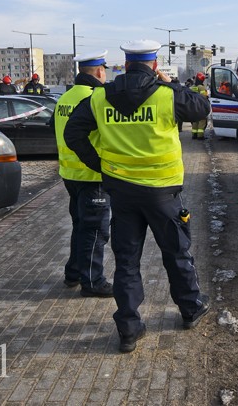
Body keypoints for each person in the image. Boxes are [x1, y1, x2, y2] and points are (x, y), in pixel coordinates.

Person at [64, 40, 211, 353]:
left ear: (126, 65)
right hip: (163, 193)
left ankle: (129, 329)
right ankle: (191, 308)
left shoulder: (99, 97)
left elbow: (72, 133)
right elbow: (202, 108)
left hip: (122, 193)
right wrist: (172, 84)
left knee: (127, 261)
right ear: (154, 66)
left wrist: (99, 165)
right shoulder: (166, 94)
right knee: (176, 252)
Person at [53, 51, 113, 297]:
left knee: (80, 226)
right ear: (99, 71)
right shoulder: (96, 97)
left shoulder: (65, 97)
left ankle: (74, 273)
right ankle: (93, 282)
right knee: (95, 231)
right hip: (92, 176)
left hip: (69, 174)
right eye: (104, 70)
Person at [189, 73, 208, 140]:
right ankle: (200, 136)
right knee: (202, 121)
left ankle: (194, 134)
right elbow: (204, 97)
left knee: (195, 121)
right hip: (200, 106)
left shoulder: (192, 87)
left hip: (193, 106)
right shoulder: (201, 87)